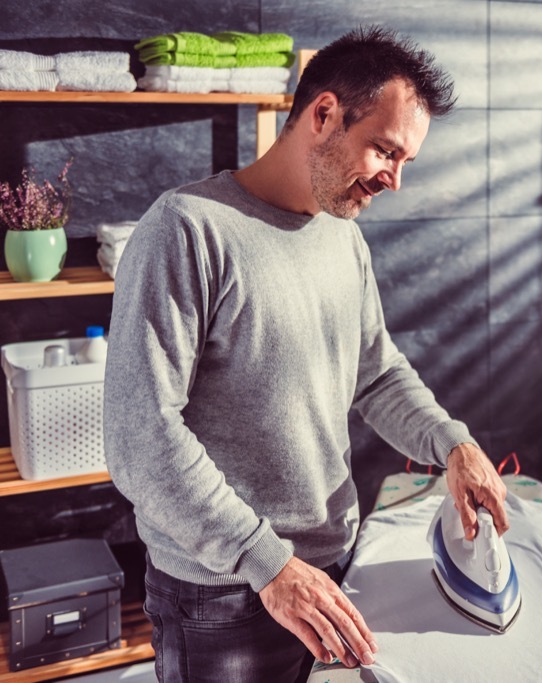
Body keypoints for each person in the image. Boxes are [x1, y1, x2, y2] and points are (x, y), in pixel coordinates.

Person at [103, 25, 509, 683]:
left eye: (405, 160)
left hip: (330, 570)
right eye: (384, 150)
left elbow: (375, 374)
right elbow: (139, 437)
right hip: (224, 594)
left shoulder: (340, 236)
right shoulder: (185, 230)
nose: (395, 180)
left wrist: (452, 444)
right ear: (323, 114)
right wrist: (268, 563)